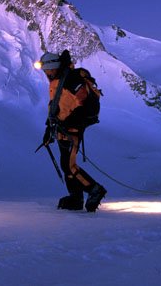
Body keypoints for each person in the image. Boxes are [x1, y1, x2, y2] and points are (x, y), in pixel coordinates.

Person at [37, 50, 107, 212]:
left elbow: (89, 106)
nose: (47, 73)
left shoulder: (72, 80)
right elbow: (56, 107)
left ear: (54, 66)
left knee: (69, 166)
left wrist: (70, 122)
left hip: (72, 129)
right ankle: (76, 198)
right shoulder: (57, 81)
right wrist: (49, 129)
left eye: (48, 70)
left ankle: (94, 189)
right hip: (62, 128)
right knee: (65, 164)